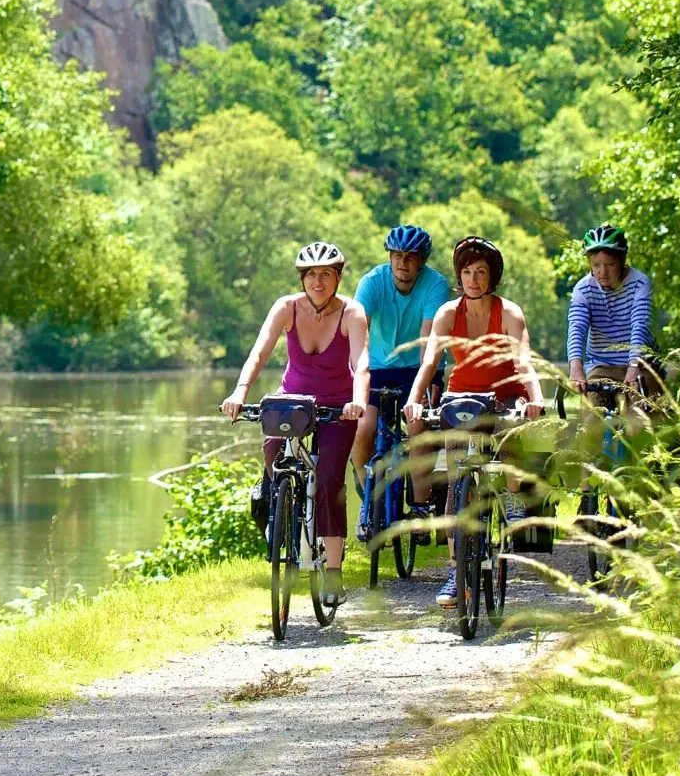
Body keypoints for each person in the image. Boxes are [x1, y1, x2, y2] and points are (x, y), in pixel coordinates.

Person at [221, 241, 370, 607]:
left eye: (326, 275)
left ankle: (332, 571)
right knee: (273, 451)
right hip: (293, 398)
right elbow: (261, 350)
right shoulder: (286, 307)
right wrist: (240, 392)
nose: (318, 282)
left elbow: (362, 361)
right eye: (311, 275)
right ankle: (274, 501)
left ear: (337, 277)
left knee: (330, 480)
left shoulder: (351, 312)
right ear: (302, 278)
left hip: (337, 406)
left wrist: (358, 401)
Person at [401, 236, 545, 608]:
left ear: (492, 277)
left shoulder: (509, 312)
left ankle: (513, 497)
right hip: (460, 398)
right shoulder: (449, 313)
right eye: (467, 272)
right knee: (454, 484)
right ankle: (455, 570)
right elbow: (429, 364)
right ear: (459, 277)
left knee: (511, 438)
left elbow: (524, 361)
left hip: (505, 395)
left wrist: (535, 397)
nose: (473, 279)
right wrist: (414, 401)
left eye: (480, 272)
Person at [349, 225, 451, 540]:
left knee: (419, 428)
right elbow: (358, 334)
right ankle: (370, 500)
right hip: (375, 367)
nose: (402, 263)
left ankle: (421, 507)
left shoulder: (435, 285)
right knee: (363, 428)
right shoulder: (372, 282)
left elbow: (427, 341)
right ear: (390, 258)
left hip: (416, 368)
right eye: (397, 256)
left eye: (410, 258)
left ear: (421, 262)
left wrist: (429, 379)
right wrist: (357, 377)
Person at [565, 225, 659, 399]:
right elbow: (576, 329)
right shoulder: (583, 289)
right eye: (596, 265)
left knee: (636, 422)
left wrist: (633, 366)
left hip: (640, 364)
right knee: (592, 420)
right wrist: (576, 369)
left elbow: (639, 326)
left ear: (622, 261)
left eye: (610, 264)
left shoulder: (639, 283)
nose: (603, 272)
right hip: (602, 365)